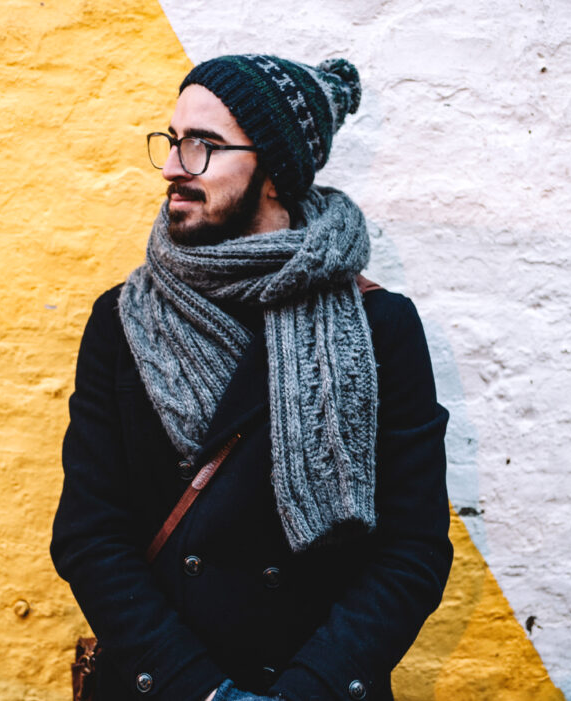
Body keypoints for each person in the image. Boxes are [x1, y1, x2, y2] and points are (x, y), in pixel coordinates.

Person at [51, 54, 452, 701]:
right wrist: (205, 691)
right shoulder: (123, 322)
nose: (173, 165)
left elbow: (412, 550)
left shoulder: (381, 327)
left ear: (275, 171)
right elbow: (89, 531)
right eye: (174, 139)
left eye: (204, 146)